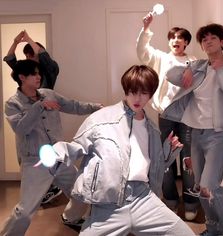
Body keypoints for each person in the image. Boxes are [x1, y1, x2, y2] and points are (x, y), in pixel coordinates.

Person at [47, 65, 195, 235]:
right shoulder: (101, 118)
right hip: (108, 204)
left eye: (144, 92)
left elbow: (154, 167)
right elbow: (76, 146)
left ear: (151, 94)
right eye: (133, 91)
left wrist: (167, 153)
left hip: (144, 199)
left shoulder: (153, 129)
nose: (137, 97)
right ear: (126, 90)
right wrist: (56, 152)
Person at [0, 59, 102, 236]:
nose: (38, 76)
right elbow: (21, 129)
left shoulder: (48, 94)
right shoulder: (12, 104)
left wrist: (96, 108)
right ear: (22, 77)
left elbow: (73, 105)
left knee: (81, 192)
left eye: (39, 73)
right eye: (34, 74)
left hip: (59, 156)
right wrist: (39, 107)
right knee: (24, 211)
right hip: (34, 162)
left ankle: (71, 217)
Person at [162, 23, 223, 236]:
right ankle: (212, 229)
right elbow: (170, 74)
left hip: (219, 134)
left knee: (210, 185)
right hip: (196, 133)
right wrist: (187, 67)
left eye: (213, 38)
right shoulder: (199, 66)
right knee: (199, 187)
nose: (208, 41)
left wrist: (221, 69)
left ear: (222, 41)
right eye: (204, 40)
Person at [136, 12, 199, 220]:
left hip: (188, 117)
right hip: (166, 114)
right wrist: (146, 28)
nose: (175, 41)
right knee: (165, 158)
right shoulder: (161, 58)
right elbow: (142, 51)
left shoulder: (195, 61)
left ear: (186, 42)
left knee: (188, 160)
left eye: (180, 38)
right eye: (172, 37)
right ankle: (170, 200)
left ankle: (190, 201)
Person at [3, 30, 61, 204]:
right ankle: (42, 190)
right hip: (28, 115)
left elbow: (43, 56)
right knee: (29, 152)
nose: (30, 58)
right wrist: (15, 41)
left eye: (32, 55)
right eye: (28, 56)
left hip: (46, 116)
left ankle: (50, 187)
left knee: (49, 152)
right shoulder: (25, 72)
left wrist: (29, 40)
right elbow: (9, 58)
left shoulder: (49, 70)